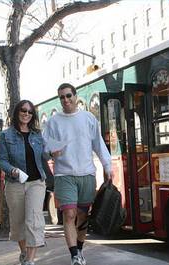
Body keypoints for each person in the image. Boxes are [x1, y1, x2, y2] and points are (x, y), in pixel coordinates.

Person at [43, 83, 114, 265]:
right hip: (64, 175)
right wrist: (52, 153)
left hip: (87, 174)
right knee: (69, 214)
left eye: (68, 96)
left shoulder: (88, 118)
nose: (65, 100)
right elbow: (44, 149)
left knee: (83, 215)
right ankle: (74, 255)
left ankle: (80, 250)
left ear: (75, 96)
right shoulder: (53, 122)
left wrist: (107, 166)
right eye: (62, 97)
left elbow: (98, 144)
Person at [0, 100, 49, 265]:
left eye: (30, 112)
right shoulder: (6, 135)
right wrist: (12, 170)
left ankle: (30, 260)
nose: (26, 114)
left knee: (34, 219)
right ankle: (24, 253)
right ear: (17, 112)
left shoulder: (37, 135)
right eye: (23, 110)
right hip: (15, 183)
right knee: (18, 221)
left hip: (36, 183)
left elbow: (44, 157)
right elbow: (2, 161)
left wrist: (53, 153)